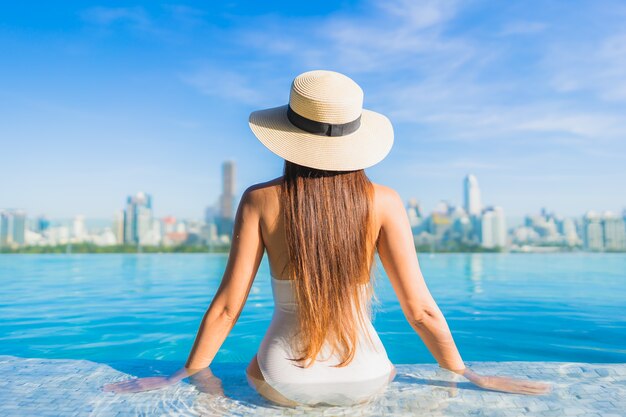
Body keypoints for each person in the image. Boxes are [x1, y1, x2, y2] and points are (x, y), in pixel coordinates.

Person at [103, 70, 550, 406]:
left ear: (287, 135)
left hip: (284, 380)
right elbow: (421, 311)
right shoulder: (386, 201)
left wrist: (185, 374)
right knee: (384, 365)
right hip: (367, 379)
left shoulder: (259, 199)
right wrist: (464, 372)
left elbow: (226, 308)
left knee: (248, 369)